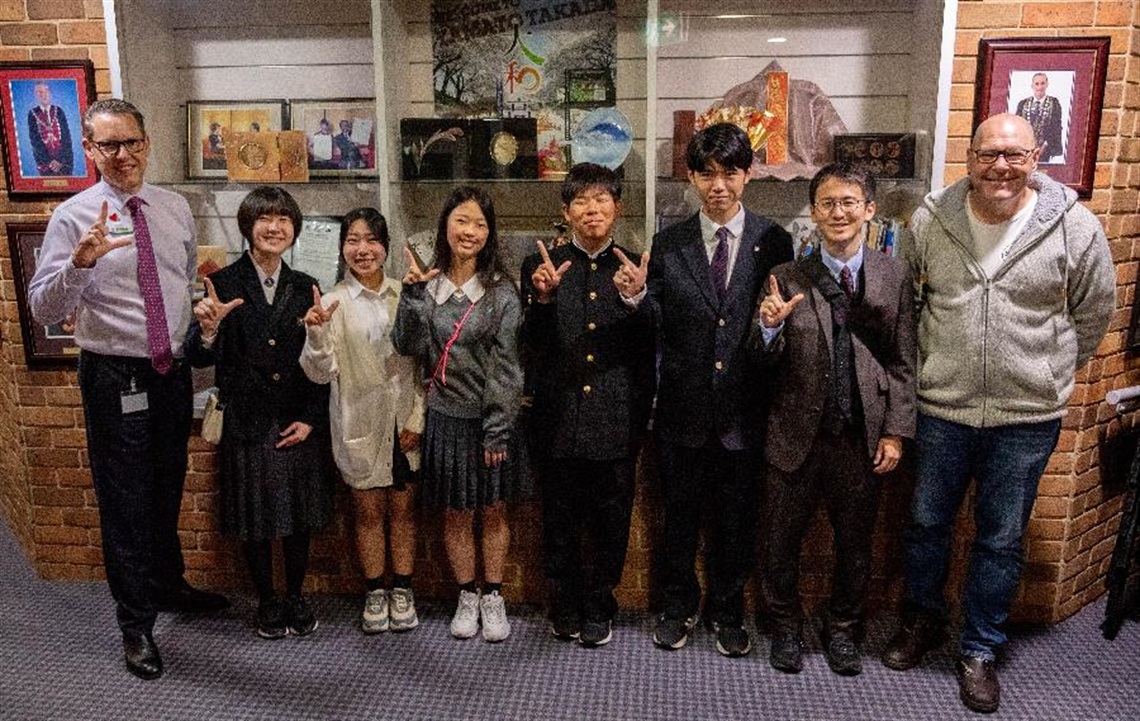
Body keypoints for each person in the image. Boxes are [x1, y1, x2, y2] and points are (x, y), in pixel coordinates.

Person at [885, 114, 1115, 713]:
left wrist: (1049, 369)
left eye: (1014, 155)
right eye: (990, 154)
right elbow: (908, 305)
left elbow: (1094, 313)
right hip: (942, 409)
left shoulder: (1076, 227)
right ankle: (922, 621)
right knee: (927, 525)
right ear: (970, 156)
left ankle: (980, 649)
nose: (1001, 167)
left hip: (1025, 417)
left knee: (1001, 538)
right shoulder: (930, 220)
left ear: (1037, 156)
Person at [27, 98, 229, 681]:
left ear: (147, 142)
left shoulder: (173, 208)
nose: (123, 156)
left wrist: (201, 328)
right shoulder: (73, 217)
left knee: (166, 485)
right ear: (89, 151)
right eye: (109, 145)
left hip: (167, 370)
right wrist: (81, 266)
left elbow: (183, 279)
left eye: (132, 142)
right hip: (114, 375)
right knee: (125, 501)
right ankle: (135, 624)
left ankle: (168, 587)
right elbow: (45, 308)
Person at [614, 122, 794, 657]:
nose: (719, 185)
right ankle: (677, 606)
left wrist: (770, 327)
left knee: (736, 522)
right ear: (691, 177)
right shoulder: (669, 242)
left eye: (730, 173)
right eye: (707, 173)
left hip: (744, 410)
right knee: (679, 521)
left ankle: (727, 611)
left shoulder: (774, 240)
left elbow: (779, 318)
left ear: (749, 175)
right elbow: (657, 321)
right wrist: (636, 297)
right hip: (681, 412)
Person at [750, 163, 916, 676]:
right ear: (814, 211)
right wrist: (769, 329)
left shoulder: (894, 274)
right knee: (778, 542)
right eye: (827, 203)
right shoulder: (785, 276)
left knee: (855, 546)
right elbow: (758, 362)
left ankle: (843, 627)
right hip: (793, 435)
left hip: (859, 438)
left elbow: (904, 359)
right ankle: (784, 627)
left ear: (869, 209)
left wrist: (895, 430)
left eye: (849, 202)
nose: (838, 212)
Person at [187, 186, 334, 642]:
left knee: (297, 516)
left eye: (284, 219)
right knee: (254, 518)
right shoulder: (222, 283)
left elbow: (322, 361)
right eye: (264, 218)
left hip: (296, 418)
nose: (275, 227)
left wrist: (312, 417)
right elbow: (196, 358)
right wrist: (208, 331)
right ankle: (268, 599)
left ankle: (294, 595)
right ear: (247, 226)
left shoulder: (306, 284)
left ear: (295, 228)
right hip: (248, 419)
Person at [520, 163, 655, 648]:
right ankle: (565, 602)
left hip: (617, 420)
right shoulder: (544, 265)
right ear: (566, 211)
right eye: (580, 201)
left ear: (617, 208)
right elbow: (531, 346)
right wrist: (542, 299)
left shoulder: (638, 264)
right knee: (559, 519)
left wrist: (638, 297)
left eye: (601, 200)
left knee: (610, 522)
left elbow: (652, 343)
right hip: (557, 421)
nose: (591, 209)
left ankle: (600, 603)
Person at [392, 186, 528, 643]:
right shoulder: (426, 285)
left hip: (489, 422)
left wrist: (497, 432)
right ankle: (466, 595)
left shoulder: (502, 293)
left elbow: (508, 369)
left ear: (490, 234)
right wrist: (411, 297)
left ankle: (493, 594)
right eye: (462, 221)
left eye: (480, 224)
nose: (470, 231)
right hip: (445, 418)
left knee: (492, 510)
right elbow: (406, 346)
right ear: (445, 225)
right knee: (455, 512)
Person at [300, 208, 425, 635]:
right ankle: (375, 591)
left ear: (386, 246)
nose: (363, 249)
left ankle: (403, 589)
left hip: (404, 419)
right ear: (342, 248)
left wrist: (418, 417)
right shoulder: (331, 302)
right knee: (368, 511)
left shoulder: (404, 294)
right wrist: (316, 334)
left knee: (404, 511)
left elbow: (426, 365)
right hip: (359, 421)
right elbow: (319, 373)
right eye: (353, 240)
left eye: (371, 240)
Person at [27, 80, 74, 176]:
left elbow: (66, 138)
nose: (43, 95)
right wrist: (50, 162)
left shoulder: (59, 111)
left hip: (63, 161)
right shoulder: (32, 114)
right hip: (45, 162)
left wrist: (60, 160)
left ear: (50, 93)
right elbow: (35, 141)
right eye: (39, 92)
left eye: (46, 91)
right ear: (35, 95)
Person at [1014, 73, 1064, 162]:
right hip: (1025, 149)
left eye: (1042, 83)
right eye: (1037, 84)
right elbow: (1017, 127)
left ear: (1047, 84)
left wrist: (1044, 146)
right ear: (1032, 86)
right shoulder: (1022, 104)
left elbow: (1056, 127)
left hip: (1046, 149)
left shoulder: (1054, 103)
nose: (1040, 87)